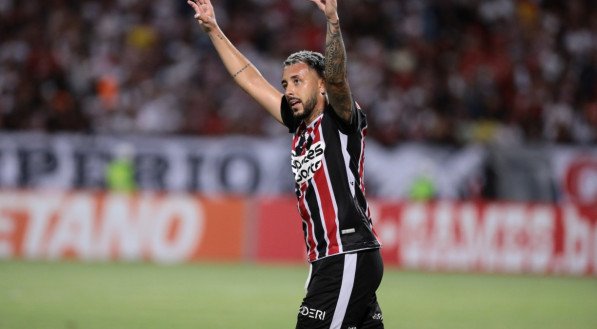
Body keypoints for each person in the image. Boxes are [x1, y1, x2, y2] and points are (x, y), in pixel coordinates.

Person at [186, 0, 384, 328]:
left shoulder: (340, 119)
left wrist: (333, 23)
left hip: (346, 253)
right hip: (331, 259)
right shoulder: (298, 126)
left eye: (297, 81)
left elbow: (336, 79)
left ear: (320, 86)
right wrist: (213, 30)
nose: (289, 90)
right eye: (285, 84)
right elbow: (249, 79)